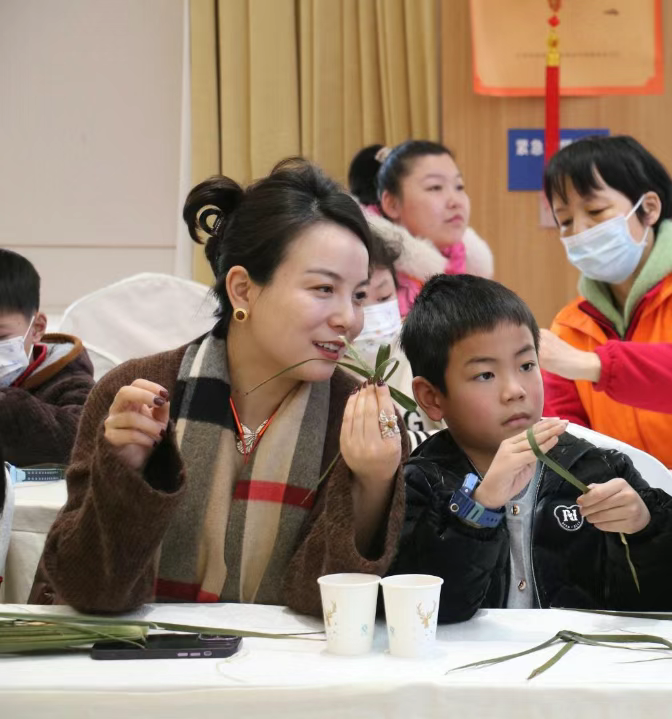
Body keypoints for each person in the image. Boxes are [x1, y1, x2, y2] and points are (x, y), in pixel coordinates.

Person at [35, 158, 408, 616]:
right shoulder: (135, 396)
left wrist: (372, 484)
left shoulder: (362, 420)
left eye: (358, 295)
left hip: (287, 662)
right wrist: (124, 472)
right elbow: (92, 591)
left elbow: (320, 607)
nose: (348, 319)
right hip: (139, 658)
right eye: (323, 289)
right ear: (243, 290)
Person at [390, 274, 672, 622]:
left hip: (579, 656)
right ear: (432, 397)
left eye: (526, 365)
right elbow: (426, 613)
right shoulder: (419, 483)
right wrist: (479, 508)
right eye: (485, 375)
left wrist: (644, 528)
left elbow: (669, 602)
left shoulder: (596, 467)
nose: (515, 390)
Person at [540, 135, 672, 468]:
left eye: (595, 211)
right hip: (620, 495)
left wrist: (593, 365)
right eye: (565, 221)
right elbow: (564, 438)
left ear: (649, 208)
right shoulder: (569, 325)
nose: (580, 230)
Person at [348, 141, 494, 315]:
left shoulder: (467, 266)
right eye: (435, 187)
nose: (455, 201)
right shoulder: (369, 275)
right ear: (392, 203)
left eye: (459, 186)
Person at [0, 248, 95, 466]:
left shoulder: (69, 377)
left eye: (1, 336)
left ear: (37, 328)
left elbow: (81, 438)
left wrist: (8, 406)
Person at [354, 261, 444, 446]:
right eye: (359, 298)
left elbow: (468, 436)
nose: (375, 314)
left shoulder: (428, 345)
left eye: (384, 297)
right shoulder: (321, 368)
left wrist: (400, 444)